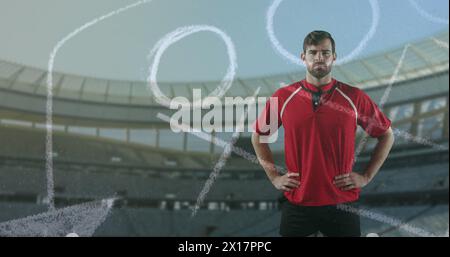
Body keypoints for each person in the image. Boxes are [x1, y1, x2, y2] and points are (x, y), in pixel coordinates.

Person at [251, 30, 395, 237]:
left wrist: (366, 176)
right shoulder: (283, 97)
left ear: (334, 57)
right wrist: (274, 177)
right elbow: (258, 137)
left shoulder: (354, 97)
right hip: (298, 202)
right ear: (304, 57)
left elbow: (386, 134)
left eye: (325, 53)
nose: (319, 58)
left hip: (342, 203)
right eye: (313, 52)